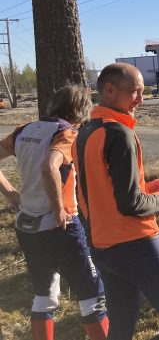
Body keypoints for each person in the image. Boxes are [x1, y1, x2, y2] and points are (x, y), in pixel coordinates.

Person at [73, 63, 159, 339]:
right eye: (135, 92)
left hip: (102, 247)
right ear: (109, 90)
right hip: (138, 245)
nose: (141, 100)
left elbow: (98, 191)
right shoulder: (120, 134)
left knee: (120, 328)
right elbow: (130, 204)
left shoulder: (84, 133)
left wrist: (152, 187)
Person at [0, 85, 109, 340]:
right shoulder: (67, 134)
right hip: (63, 224)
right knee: (92, 292)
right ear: (80, 111)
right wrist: (59, 208)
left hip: (27, 224)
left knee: (45, 295)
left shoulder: (24, 130)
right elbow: (50, 167)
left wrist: (11, 193)